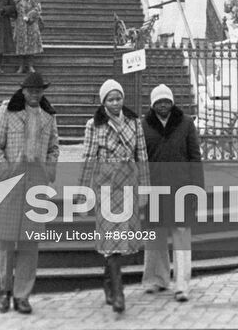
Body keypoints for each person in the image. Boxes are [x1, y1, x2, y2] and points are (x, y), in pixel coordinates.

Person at [0, 71, 59, 314]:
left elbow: (54, 148)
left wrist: (49, 171)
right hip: (10, 182)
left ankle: (22, 294)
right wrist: (5, 171)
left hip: (36, 184)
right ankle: (4, 291)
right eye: (31, 91)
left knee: (30, 242)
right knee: (7, 241)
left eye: (39, 91)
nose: (35, 95)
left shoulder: (49, 116)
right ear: (23, 91)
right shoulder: (7, 110)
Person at [81, 79, 150, 313]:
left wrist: (145, 189)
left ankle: (109, 283)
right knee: (112, 240)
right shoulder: (94, 124)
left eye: (118, 98)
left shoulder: (134, 122)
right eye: (110, 99)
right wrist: (83, 191)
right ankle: (119, 293)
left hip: (128, 184)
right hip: (106, 187)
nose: (115, 103)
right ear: (103, 102)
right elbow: (89, 158)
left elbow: (142, 156)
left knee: (122, 241)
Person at [141, 83, 203, 302]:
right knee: (155, 236)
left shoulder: (186, 124)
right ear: (152, 104)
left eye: (166, 101)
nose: (163, 105)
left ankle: (182, 284)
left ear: (172, 102)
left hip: (181, 188)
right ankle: (155, 279)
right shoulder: (143, 125)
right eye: (159, 102)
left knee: (181, 235)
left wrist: (197, 189)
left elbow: (195, 157)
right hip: (154, 188)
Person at [13, 0, 43, 75]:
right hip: (20, 26)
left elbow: (37, 9)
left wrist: (29, 15)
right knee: (20, 45)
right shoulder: (16, 0)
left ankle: (30, 66)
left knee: (31, 44)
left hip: (31, 25)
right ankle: (21, 66)